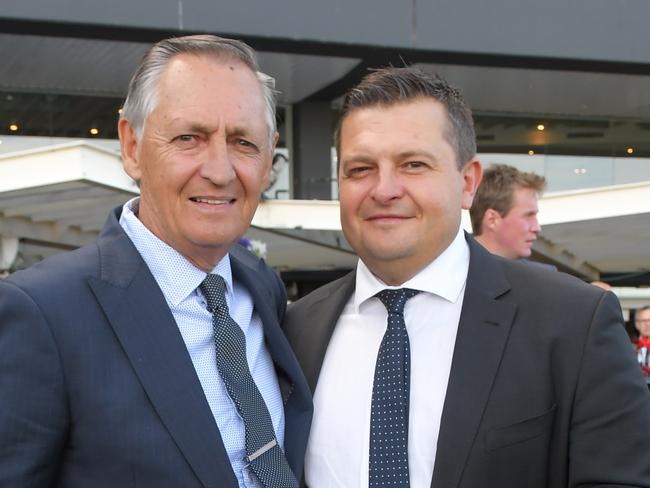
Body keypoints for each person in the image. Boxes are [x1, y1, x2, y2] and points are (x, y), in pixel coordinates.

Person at [283, 67, 650, 487]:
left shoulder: (572, 322)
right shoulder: (296, 330)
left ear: (468, 182)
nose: (384, 189)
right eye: (360, 168)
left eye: (413, 164)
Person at [0, 35, 311, 487]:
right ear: (131, 146)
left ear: (268, 159)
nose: (220, 171)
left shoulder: (262, 288)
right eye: (189, 137)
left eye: (243, 142)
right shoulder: (41, 312)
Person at [469, 164, 546, 260]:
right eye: (528, 216)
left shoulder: (543, 274)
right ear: (492, 220)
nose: (537, 228)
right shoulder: (450, 271)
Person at [634, 305, 650, 375]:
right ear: (637, 324)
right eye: (644, 320)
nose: (648, 324)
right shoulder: (628, 348)